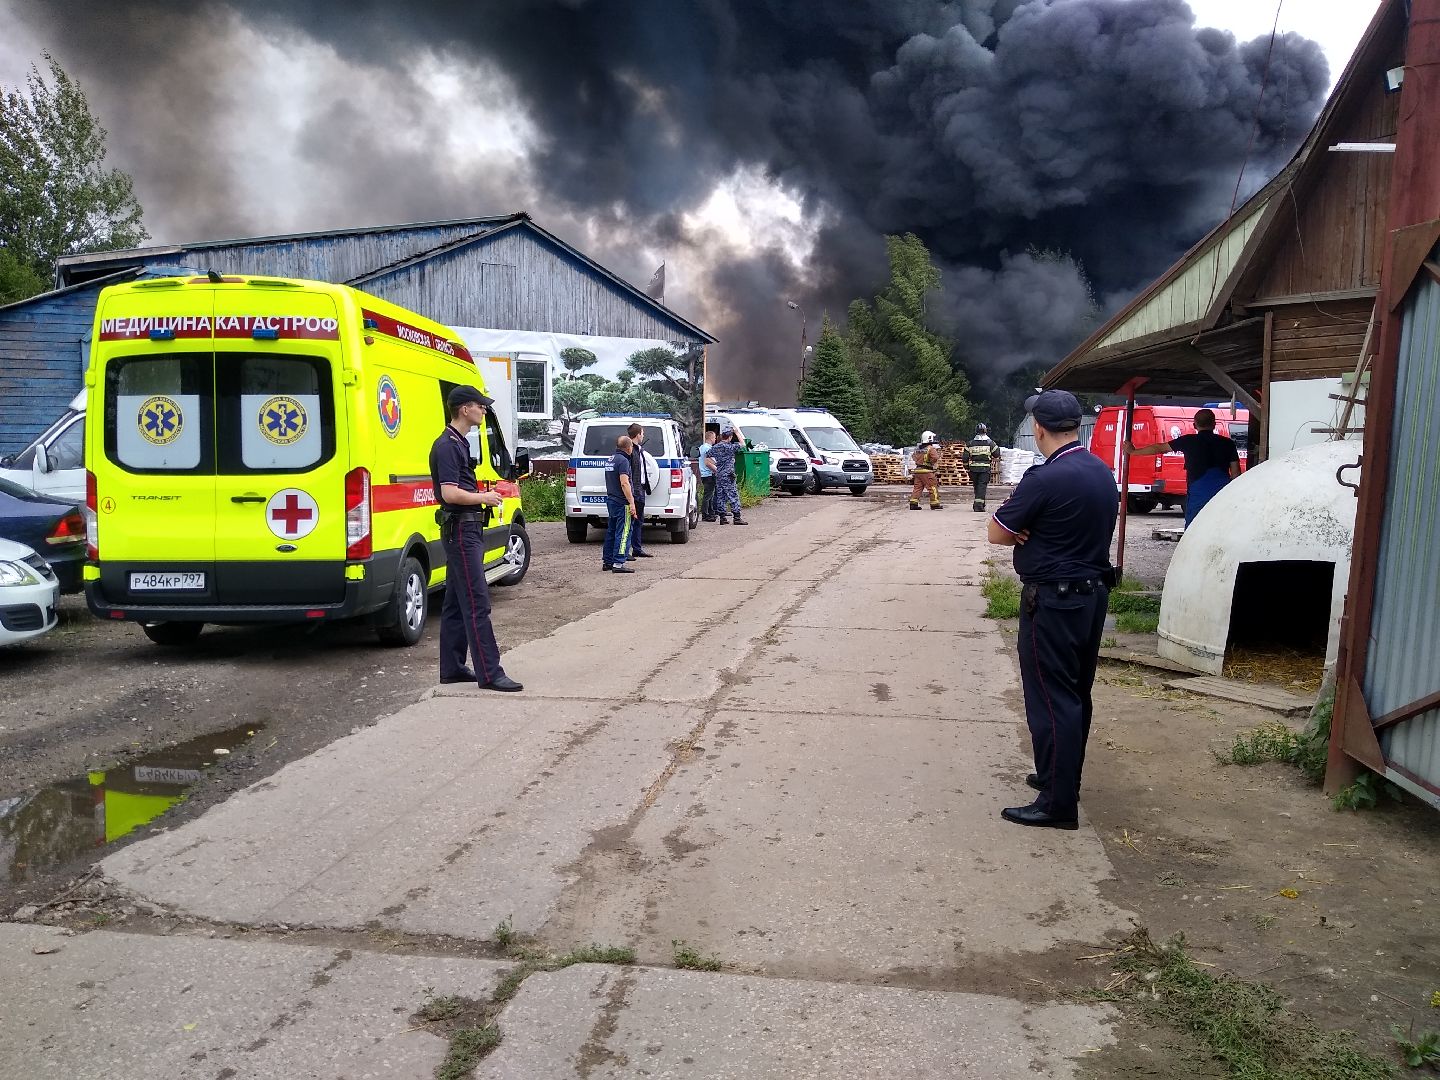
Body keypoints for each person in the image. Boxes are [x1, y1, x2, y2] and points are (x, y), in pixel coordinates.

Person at [987, 390, 1117, 830]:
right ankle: (1060, 777)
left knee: (1050, 696)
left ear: (1038, 429)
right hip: (1092, 596)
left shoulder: (1043, 478)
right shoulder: (1102, 472)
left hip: (1054, 601)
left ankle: (1057, 804)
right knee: (1076, 692)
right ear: (1076, 425)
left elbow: (997, 532)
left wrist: (1025, 529)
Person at [429, 385, 523, 692]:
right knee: (477, 601)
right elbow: (449, 493)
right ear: (463, 409)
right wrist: (484, 497)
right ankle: (490, 673)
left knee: (457, 602)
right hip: (460, 530)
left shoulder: (458, 443)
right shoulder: (446, 445)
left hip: (466, 528)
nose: (483, 410)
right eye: (479, 405)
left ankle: (453, 668)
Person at [1124, 408, 1240, 527]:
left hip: (1197, 493)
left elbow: (1159, 448)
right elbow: (1236, 474)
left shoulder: (1188, 441)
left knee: (1194, 527)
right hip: (1221, 494)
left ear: (1194, 425)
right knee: (1220, 525)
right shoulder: (1228, 443)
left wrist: (1133, 451)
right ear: (1214, 424)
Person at [602, 434, 639, 574]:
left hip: (611, 500)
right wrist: (632, 503)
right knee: (624, 532)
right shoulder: (623, 461)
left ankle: (608, 561)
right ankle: (618, 562)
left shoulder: (610, 459)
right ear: (629, 448)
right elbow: (624, 483)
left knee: (611, 531)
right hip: (622, 502)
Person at [625, 423, 656, 559]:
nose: (643, 436)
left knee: (638, 521)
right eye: (642, 433)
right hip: (634, 490)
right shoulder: (630, 451)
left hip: (640, 489)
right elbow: (628, 473)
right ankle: (625, 552)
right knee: (630, 522)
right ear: (637, 434)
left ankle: (637, 548)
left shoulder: (638, 449)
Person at [708, 428, 747, 525]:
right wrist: (737, 433)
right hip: (728, 475)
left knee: (721, 496)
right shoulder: (730, 447)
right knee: (733, 495)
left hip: (719, 474)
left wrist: (718, 463)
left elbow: (707, 456)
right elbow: (743, 444)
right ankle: (737, 518)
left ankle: (722, 518)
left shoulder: (715, 447)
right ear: (730, 437)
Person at [961, 423, 996, 513]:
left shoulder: (970, 443)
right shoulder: (989, 443)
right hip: (985, 469)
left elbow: (965, 458)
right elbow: (997, 453)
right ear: (985, 431)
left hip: (973, 469)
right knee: (982, 486)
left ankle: (981, 503)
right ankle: (978, 506)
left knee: (977, 486)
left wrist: (967, 468)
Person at [909, 430, 943, 510]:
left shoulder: (917, 449)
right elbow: (935, 457)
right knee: (932, 487)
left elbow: (913, 457)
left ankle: (913, 503)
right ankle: (935, 504)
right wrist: (931, 463)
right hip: (927, 471)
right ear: (930, 438)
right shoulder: (930, 449)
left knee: (917, 487)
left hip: (918, 471)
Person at [698, 426, 719, 522]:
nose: (715, 439)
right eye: (714, 438)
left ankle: (710, 513)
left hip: (704, 474)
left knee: (709, 495)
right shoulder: (708, 448)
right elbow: (709, 462)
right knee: (708, 495)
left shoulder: (702, 447)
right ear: (710, 438)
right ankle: (705, 515)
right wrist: (717, 470)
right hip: (709, 474)